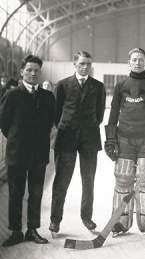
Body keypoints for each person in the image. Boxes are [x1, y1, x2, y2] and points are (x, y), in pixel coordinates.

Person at [104, 48, 145, 235]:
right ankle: (120, 222)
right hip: (124, 139)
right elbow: (113, 113)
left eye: (141, 60)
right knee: (123, 179)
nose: (137, 62)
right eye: (134, 59)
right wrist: (110, 139)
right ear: (129, 62)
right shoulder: (121, 86)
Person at [49, 51, 106, 234]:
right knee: (61, 181)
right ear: (75, 65)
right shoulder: (63, 85)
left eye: (88, 64)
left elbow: (99, 114)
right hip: (66, 138)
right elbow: (56, 114)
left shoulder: (98, 86)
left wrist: (87, 126)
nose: (85, 67)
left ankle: (87, 217)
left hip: (89, 138)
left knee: (88, 180)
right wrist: (68, 126)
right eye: (81, 64)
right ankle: (55, 220)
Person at [1, 55, 55, 247]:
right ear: (22, 72)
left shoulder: (48, 97)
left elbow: (50, 122)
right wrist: (18, 140)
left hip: (39, 154)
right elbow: (4, 124)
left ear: (40, 73)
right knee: (16, 193)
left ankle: (32, 230)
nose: (33, 73)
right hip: (17, 153)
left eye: (36, 71)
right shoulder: (13, 95)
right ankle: (16, 231)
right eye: (29, 70)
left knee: (36, 193)